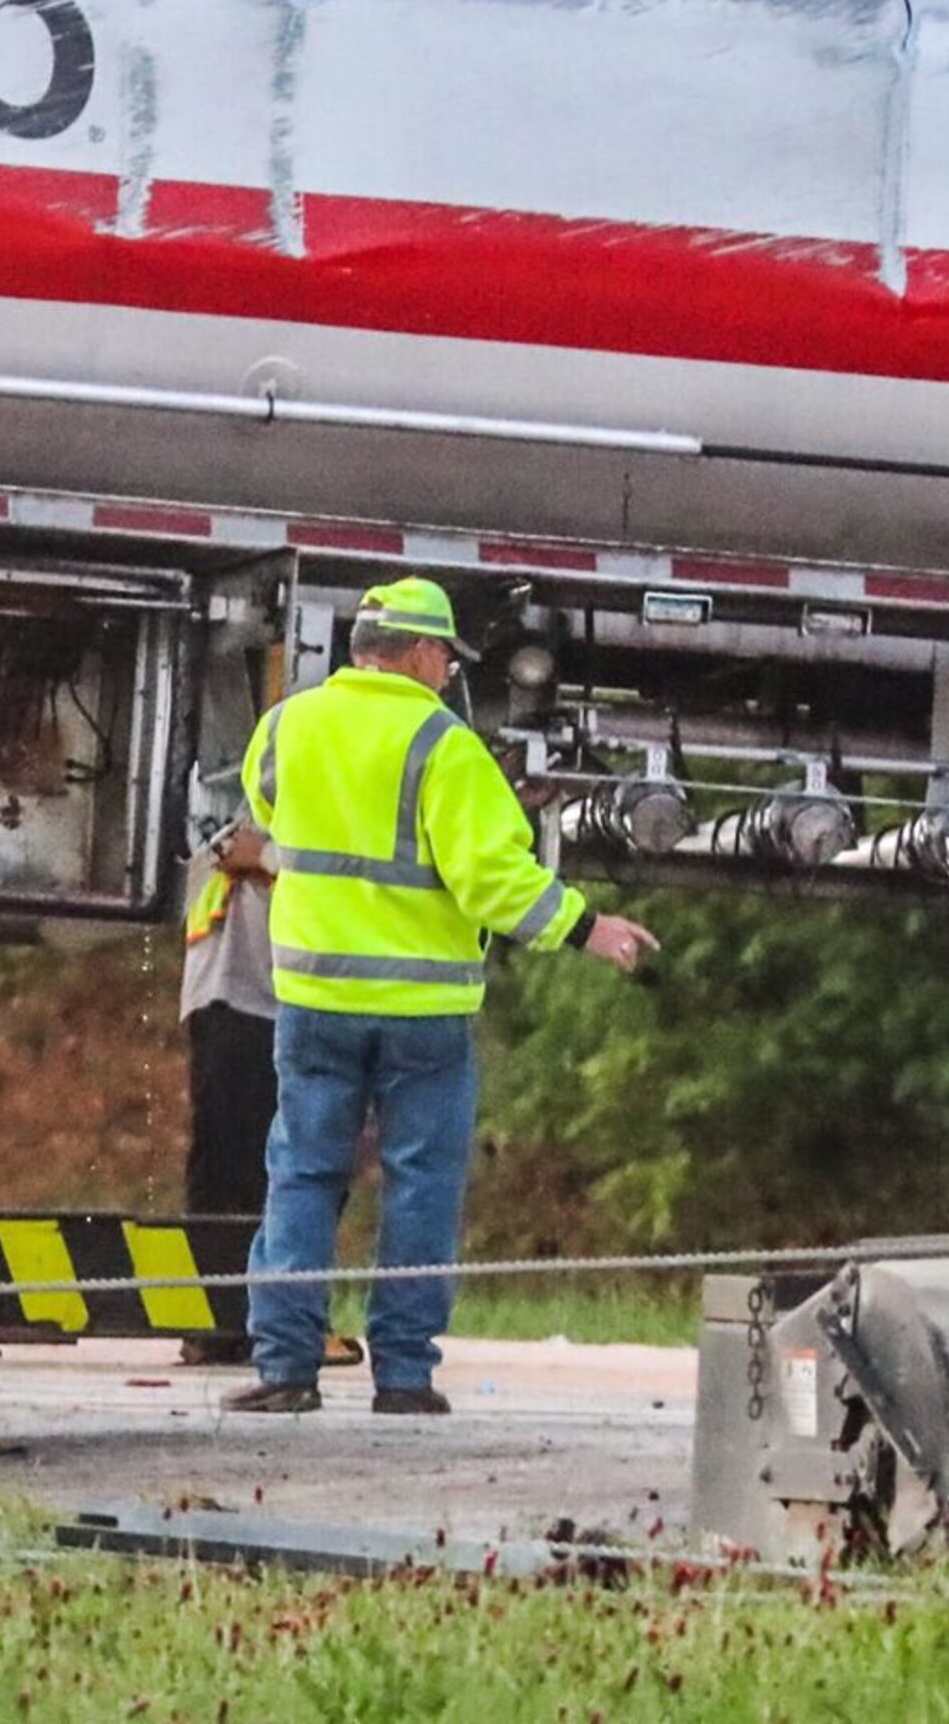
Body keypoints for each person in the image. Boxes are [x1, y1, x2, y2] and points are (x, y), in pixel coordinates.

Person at [225, 577, 658, 1416]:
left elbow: (267, 807)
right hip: (422, 1013)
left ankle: (284, 1366)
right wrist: (585, 926)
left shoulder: (287, 726)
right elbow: (493, 880)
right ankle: (403, 1375)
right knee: (420, 1184)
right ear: (422, 652)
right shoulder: (445, 745)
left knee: (303, 1175)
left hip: (315, 1000)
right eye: (445, 658)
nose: (446, 673)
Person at [175, 818, 359, 1372]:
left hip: (278, 997)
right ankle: (231, 1320)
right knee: (246, 1167)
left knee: (286, 1167)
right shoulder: (228, 795)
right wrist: (270, 859)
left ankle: (256, 1319)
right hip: (241, 997)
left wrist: (272, 859)